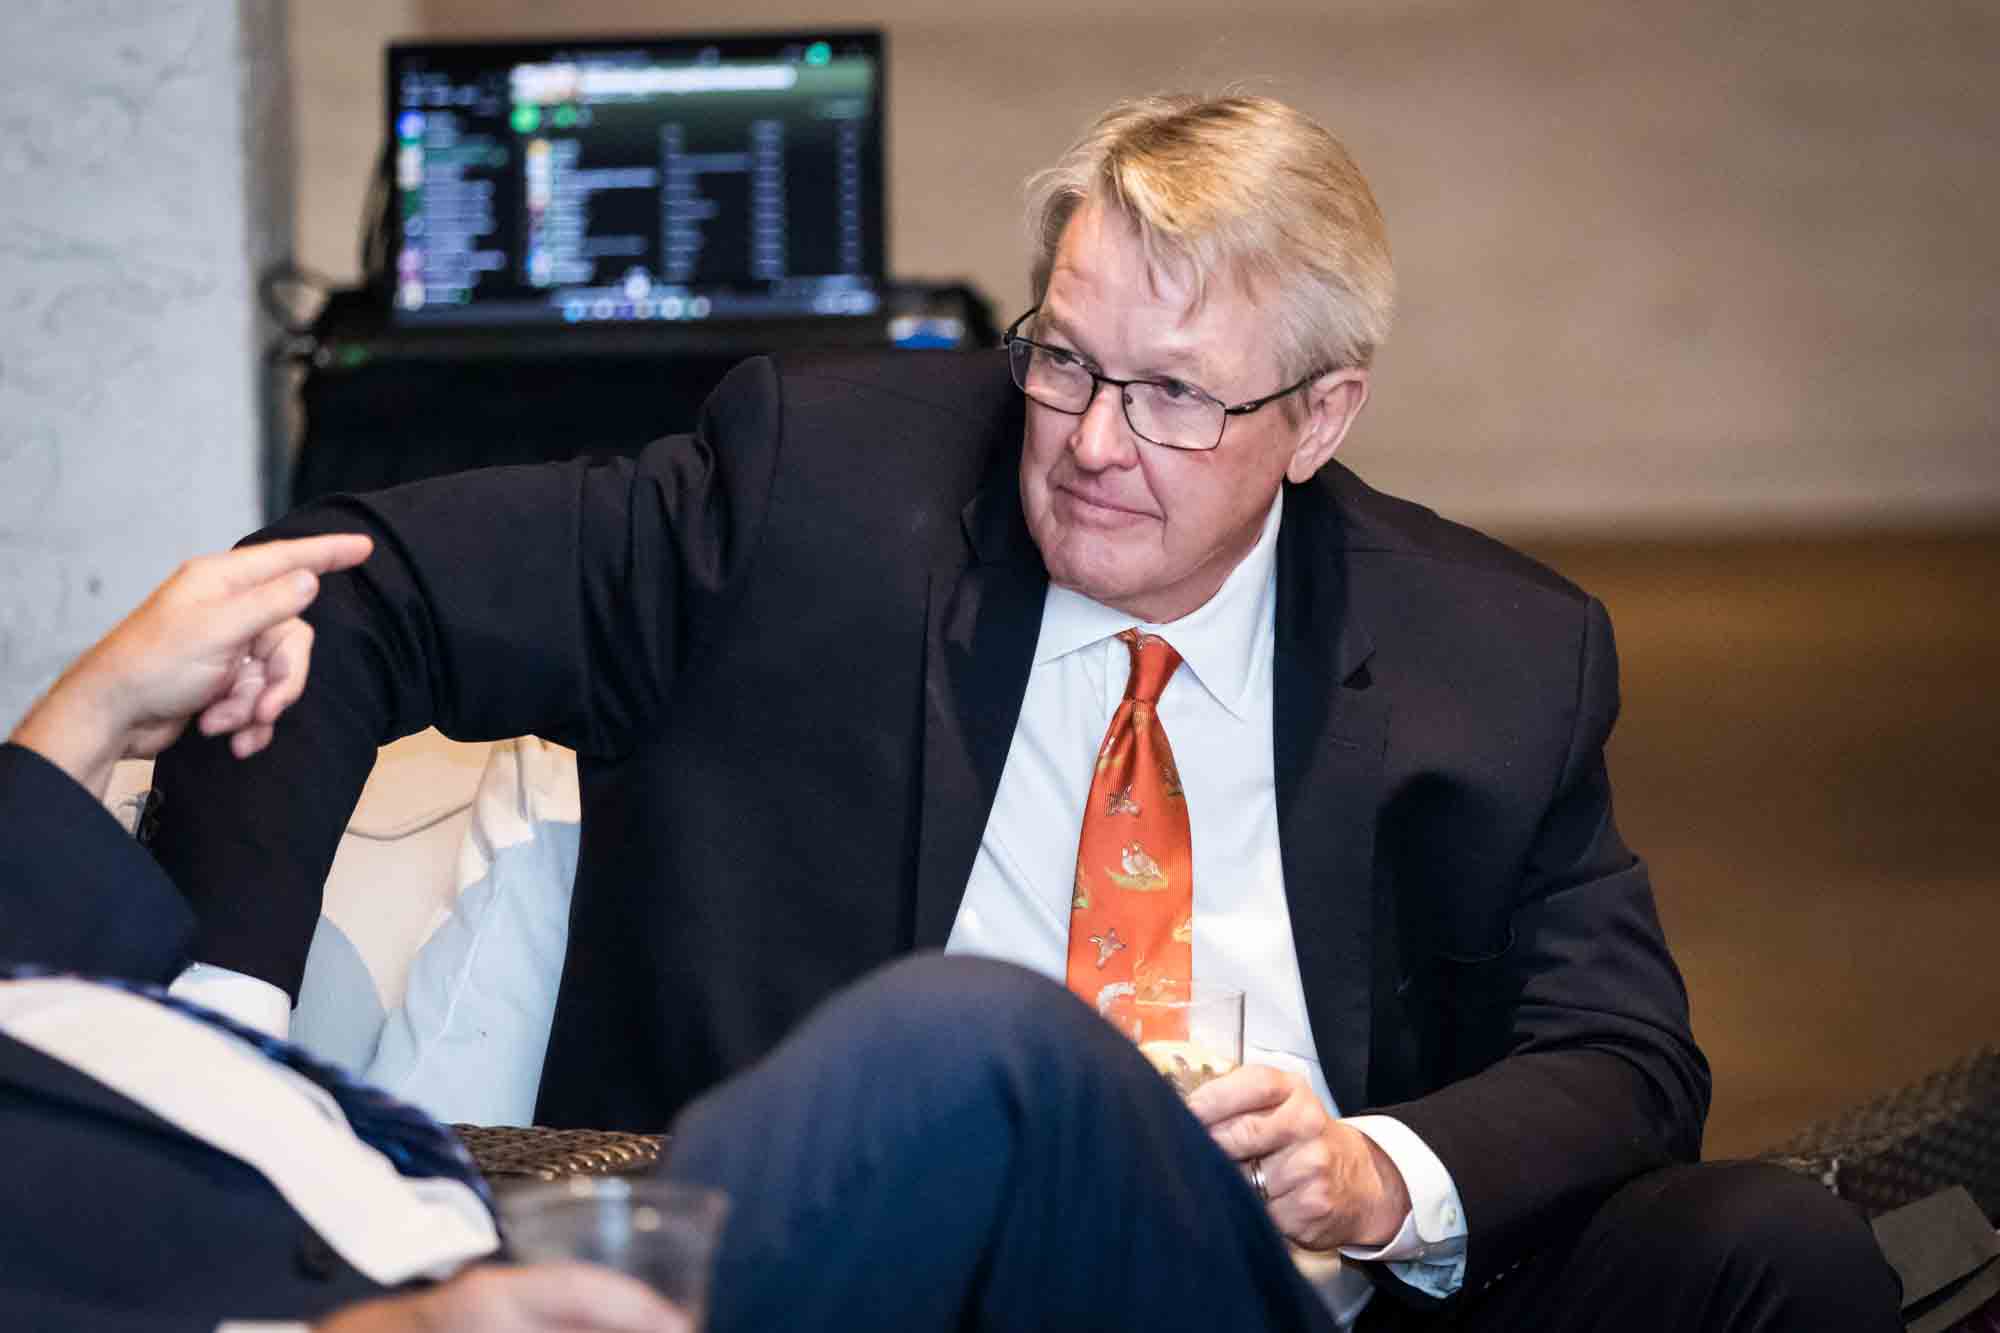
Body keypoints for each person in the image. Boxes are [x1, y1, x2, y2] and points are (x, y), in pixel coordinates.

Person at [146, 95, 1902, 1328]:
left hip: (1283, 1296)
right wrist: (207, 1043)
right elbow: (346, 582)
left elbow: (1627, 1055)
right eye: (1062, 356)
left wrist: (1377, 1174)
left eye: (1169, 394)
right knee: (984, 1047)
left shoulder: (1496, 651)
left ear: (1324, 414)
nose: (1088, 437)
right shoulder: (818, 497)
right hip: (908, 1286)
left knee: (1782, 1254)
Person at [0, 536, 1344, 1333]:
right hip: (379, 1303)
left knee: (976, 1088)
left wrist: (90, 707)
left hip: (463, 1233)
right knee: (968, 1047)